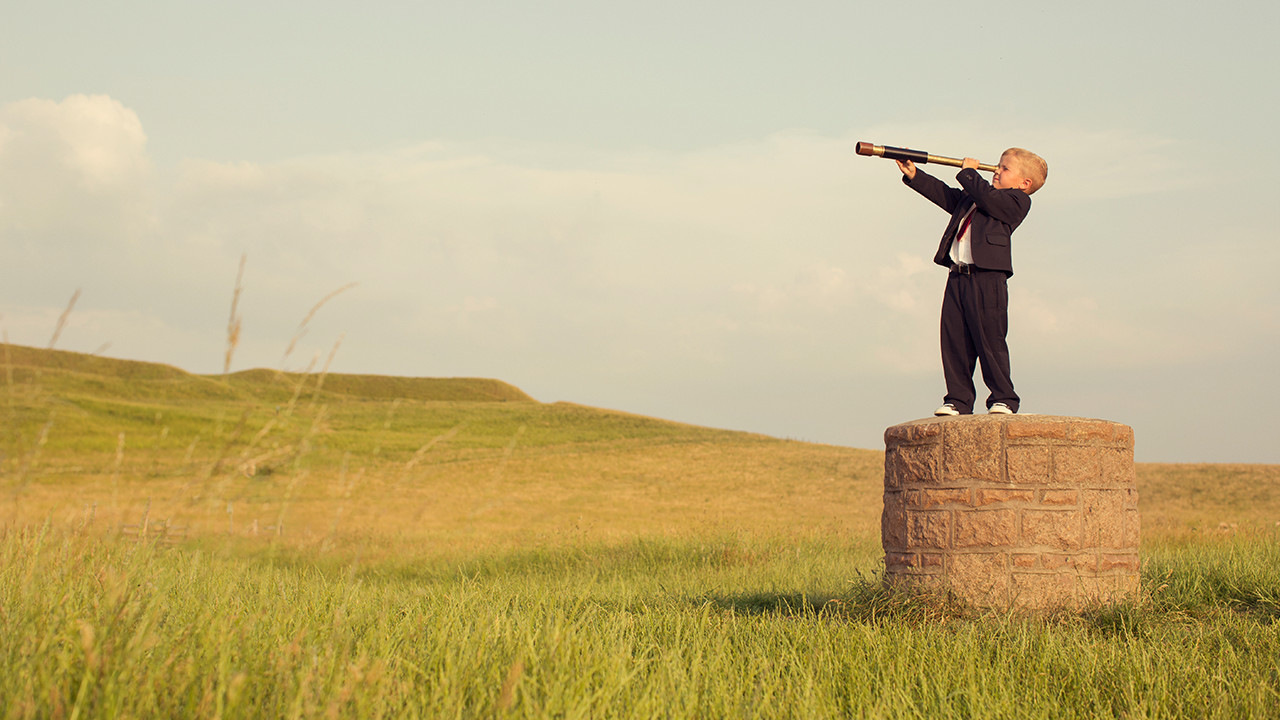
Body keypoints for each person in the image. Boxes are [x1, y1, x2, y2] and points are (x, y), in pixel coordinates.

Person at [895, 148, 1048, 416]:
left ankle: (1003, 398)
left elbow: (989, 200)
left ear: (1025, 183)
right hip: (958, 276)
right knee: (954, 340)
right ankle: (958, 400)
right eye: (998, 166)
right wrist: (915, 175)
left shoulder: (1015, 202)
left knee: (990, 338)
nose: (997, 171)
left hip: (987, 278)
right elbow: (948, 196)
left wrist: (968, 173)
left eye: (1005, 168)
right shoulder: (975, 197)